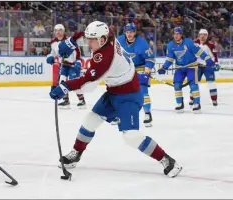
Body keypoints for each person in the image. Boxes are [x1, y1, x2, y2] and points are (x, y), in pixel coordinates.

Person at [50, 21, 182, 178]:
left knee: (131, 136)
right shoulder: (109, 36)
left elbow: (87, 85)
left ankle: (168, 160)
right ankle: (76, 153)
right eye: (89, 39)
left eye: (92, 40)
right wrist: (71, 41)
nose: (89, 43)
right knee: (90, 120)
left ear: (102, 39)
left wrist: (64, 87)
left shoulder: (104, 58)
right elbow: (86, 34)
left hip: (129, 96)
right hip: (114, 91)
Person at [158, 27, 218, 113]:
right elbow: (170, 58)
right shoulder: (170, 45)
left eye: (178, 34)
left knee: (193, 85)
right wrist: (164, 67)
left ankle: (197, 104)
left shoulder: (189, 42)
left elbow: (200, 52)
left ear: (181, 35)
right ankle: (179, 104)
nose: (176, 36)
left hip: (191, 67)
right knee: (177, 85)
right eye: (174, 34)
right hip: (180, 68)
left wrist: (208, 59)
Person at [117, 23, 155, 127]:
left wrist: (147, 69)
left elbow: (150, 58)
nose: (129, 34)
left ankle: (147, 114)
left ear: (135, 32)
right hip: (126, 68)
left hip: (140, 67)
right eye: (127, 32)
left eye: (131, 32)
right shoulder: (119, 41)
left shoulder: (142, 43)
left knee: (143, 90)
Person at [46, 24, 86, 109]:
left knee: (73, 83)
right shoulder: (53, 43)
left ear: (63, 31)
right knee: (62, 82)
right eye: (56, 30)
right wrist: (50, 57)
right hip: (64, 65)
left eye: (60, 30)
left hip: (73, 65)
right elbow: (53, 53)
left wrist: (78, 61)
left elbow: (77, 52)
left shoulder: (69, 41)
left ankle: (82, 100)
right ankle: (66, 100)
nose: (58, 32)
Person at [189, 29, 220, 107]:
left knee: (211, 83)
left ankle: (214, 99)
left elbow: (215, 56)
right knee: (194, 83)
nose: (202, 36)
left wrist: (216, 64)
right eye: (201, 34)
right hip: (197, 66)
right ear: (198, 35)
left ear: (207, 36)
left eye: (204, 34)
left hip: (208, 67)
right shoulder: (193, 44)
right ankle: (191, 98)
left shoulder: (211, 45)